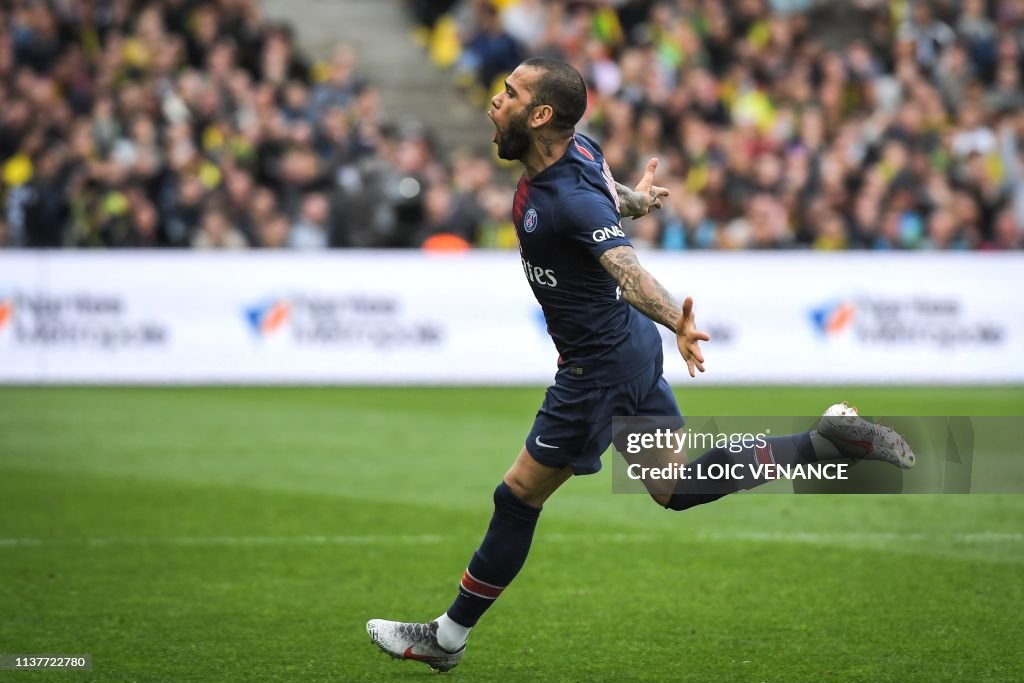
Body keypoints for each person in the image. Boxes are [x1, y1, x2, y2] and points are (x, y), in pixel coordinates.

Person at [366, 58, 915, 673]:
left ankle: (446, 637)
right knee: (674, 487)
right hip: (624, 352)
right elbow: (610, 196)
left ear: (541, 115)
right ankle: (823, 443)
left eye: (510, 94)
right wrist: (637, 200)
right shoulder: (578, 150)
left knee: (517, 496)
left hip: (597, 368)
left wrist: (673, 317)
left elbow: (628, 272)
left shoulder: (567, 199)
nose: (496, 101)